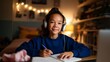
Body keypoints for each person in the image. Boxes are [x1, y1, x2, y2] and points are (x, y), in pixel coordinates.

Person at [2, 7, 91, 61]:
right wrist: (38, 52)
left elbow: (87, 50)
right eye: (52, 22)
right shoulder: (38, 40)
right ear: (46, 24)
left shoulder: (66, 40)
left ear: (63, 26)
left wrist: (73, 53)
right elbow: (19, 50)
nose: (56, 25)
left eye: (59, 23)